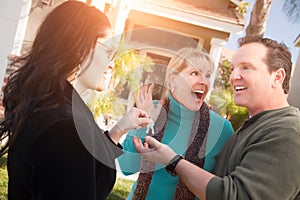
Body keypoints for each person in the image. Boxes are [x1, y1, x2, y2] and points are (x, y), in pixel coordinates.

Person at [0, 1, 151, 200]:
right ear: (79, 48)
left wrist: (118, 130)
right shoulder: (65, 128)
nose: (112, 64)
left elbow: (88, 176)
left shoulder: (48, 104)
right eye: (109, 51)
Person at [133, 36, 300, 200]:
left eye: (246, 67)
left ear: (277, 77)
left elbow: (238, 195)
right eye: (233, 68)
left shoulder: (289, 131)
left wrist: (173, 161)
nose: (233, 77)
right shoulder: (251, 128)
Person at [118, 47, 234, 200]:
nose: (203, 82)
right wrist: (144, 124)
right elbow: (126, 168)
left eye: (207, 76)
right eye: (195, 73)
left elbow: (224, 190)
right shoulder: (152, 109)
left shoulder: (221, 129)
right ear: (173, 80)